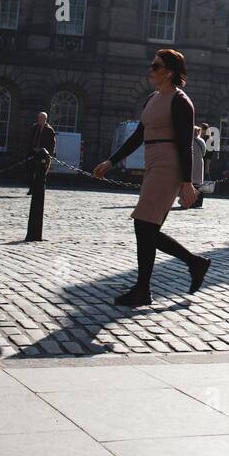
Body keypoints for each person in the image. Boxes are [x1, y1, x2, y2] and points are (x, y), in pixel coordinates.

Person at [93, 49, 211, 307]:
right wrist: (111, 161)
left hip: (168, 165)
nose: (150, 70)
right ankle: (193, 263)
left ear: (169, 72)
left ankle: (144, 289)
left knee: (143, 224)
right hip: (153, 162)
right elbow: (138, 135)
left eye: (156, 66)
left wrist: (187, 182)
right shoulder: (153, 98)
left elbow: (186, 144)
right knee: (147, 229)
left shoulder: (181, 101)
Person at [25, 112, 56, 195]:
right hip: (33, 152)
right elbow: (29, 140)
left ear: (45, 119)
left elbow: (52, 144)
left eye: (41, 117)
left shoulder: (49, 130)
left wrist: (50, 155)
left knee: (41, 173)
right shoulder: (34, 128)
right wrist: (28, 151)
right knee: (30, 171)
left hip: (43, 154)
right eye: (39, 117)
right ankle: (31, 188)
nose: (39, 119)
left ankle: (39, 190)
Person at [190, 123, 208, 209]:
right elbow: (204, 153)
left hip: (191, 162)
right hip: (199, 162)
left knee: (191, 182)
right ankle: (198, 202)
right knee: (198, 183)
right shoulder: (201, 141)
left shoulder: (189, 140)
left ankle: (190, 201)